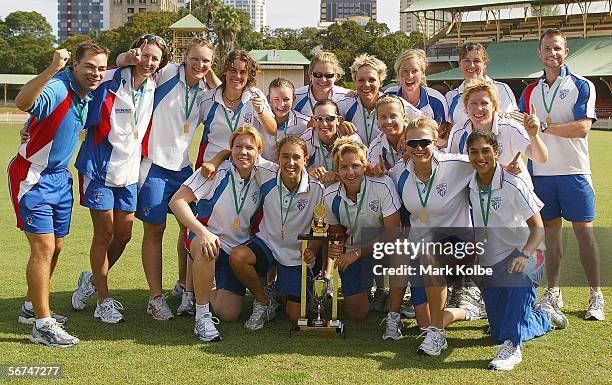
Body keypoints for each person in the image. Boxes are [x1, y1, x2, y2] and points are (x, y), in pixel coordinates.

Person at [9, 41, 109, 346]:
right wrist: (53, 67)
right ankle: (42, 324)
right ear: (75, 66)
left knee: (58, 246)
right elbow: (23, 102)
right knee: (43, 248)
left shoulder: (87, 94)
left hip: (59, 178)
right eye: (89, 66)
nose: (95, 73)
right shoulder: (58, 87)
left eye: (101, 68)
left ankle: (30, 307)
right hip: (33, 176)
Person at [71, 35, 166, 323]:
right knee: (105, 233)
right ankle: (103, 300)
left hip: (128, 173)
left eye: (155, 59)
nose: (148, 63)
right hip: (99, 169)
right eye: (144, 55)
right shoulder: (112, 77)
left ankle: (91, 280)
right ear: (135, 52)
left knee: (124, 234)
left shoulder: (154, 84)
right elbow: (116, 64)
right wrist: (127, 57)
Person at [466, 129, 568, 370]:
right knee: (499, 331)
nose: (480, 157)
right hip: (494, 260)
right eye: (474, 152)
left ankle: (513, 348)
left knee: (519, 279)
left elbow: (539, 228)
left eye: (486, 151)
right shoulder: (469, 183)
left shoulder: (514, 182)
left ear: (497, 152)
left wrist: (524, 255)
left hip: (528, 252)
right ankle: (543, 316)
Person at [132, 38, 221, 319]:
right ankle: (155, 298)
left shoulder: (206, 92)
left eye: (206, 61)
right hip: (153, 165)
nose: (199, 65)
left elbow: (223, 94)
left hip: (183, 168)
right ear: (184, 57)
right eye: (195, 59)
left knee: (190, 231)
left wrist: (209, 72)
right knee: (155, 231)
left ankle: (186, 287)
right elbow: (138, 68)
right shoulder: (168, 72)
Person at [519, 28, 603, 320]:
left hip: (574, 172)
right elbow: (522, 131)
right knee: (551, 238)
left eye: (557, 48)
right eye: (547, 48)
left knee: (585, 236)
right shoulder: (529, 91)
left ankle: (596, 295)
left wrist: (545, 127)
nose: (552, 53)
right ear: (539, 53)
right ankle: (553, 292)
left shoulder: (582, 85)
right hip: (541, 173)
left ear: (565, 52)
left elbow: (582, 128)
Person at [388, 116, 477, 354]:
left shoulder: (458, 165)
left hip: (458, 246)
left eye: (424, 142)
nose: (418, 148)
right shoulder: (399, 173)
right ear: (404, 145)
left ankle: (439, 336)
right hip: (422, 250)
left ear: (436, 141)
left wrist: (511, 167)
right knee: (424, 321)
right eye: (412, 143)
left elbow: (488, 164)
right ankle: (471, 310)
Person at [169, 126, 265, 342]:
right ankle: (202, 318)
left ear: (258, 151)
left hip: (234, 252)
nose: (243, 152)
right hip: (207, 240)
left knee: (229, 314)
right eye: (238, 146)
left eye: (250, 148)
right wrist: (202, 232)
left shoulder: (263, 174)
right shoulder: (215, 172)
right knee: (206, 246)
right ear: (230, 150)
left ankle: (201, 285)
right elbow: (177, 201)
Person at [229, 136, 324, 329]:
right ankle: (264, 302)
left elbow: (319, 228)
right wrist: (214, 161)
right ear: (277, 158)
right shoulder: (266, 172)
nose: (290, 163)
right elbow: (240, 152)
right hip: (268, 245)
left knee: (295, 316)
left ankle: (290, 291)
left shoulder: (317, 189)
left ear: (306, 159)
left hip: (296, 255)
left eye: (296, 157)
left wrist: (312, 250)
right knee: (238, 257)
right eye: (285, 157)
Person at [323, 138, 401, 324]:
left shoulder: (383, 185)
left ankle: (395, 308)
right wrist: (336, 246)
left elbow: (393, 232)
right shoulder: (329, 195)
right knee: (356, 315)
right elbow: (336, 233)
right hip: (354, 252)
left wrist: (357, 253)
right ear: (337, 169)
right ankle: (367, 288)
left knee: (401, 250)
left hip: (384, 248)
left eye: (355, 166)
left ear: (365, 165)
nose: (350, 172)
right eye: (343, 167)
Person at [447, 77, 548, 191]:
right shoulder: (458, 131)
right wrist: (500, 170)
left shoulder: (510, 127)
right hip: (480, 196)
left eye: (484, 103)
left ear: (494, 106)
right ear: (465, 108)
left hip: (515, 195)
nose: (479, 108)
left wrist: (534, 136)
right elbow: (452, 168)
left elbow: (541, 159)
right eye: (473, 103)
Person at [195, 49, 276, 168]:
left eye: (243, 72)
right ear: (225, 71)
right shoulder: (207, 99)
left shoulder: (255, 95)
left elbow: (272, 130)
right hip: (214, 167)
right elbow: (189, 127)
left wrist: (261, 111)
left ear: (249, 75)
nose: (237, 76)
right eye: (233, 70)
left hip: (246, 167)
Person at [337, 54, 419, 147]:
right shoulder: (345, 104)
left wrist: (407, 134)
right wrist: (339, 122)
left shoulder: (394, 103)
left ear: (381, 82)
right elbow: (322, 118)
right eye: (361, 80)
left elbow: (426, 121)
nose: (366, 84)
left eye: (372, 80)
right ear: (354, 81)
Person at [445, 42, 518, 128]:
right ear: (460, 64)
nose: (471, 65)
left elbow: (511, 119)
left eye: (477, 61)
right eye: (466, 60)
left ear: (484, 64)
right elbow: (449, 129)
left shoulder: (501, 89)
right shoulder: (450, 96)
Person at [384, 49, 450, 138]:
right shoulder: (389, 94)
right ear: (398, 72)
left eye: (414, 71)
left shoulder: (436, 100)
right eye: (405, 70)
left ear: (422, 73)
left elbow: (440, 135)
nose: (409, 75)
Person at [301, 99, 362, 185]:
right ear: (313, 121)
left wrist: (338, 176)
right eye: (319, 119)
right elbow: (294, 168)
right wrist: (309, 171)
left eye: (330, 118)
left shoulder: (352, 139)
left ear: (338, 120)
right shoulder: (305, 140)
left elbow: (362, 170)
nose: (324, 124)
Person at [261, 78, 309, 161]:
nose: (281, 104)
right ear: (268, 99)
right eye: (276, 99)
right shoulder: (258, 119)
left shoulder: (304, 124)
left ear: (293, 99)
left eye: (286, 99)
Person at [293, 51, 350, 117]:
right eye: (318, 74)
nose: (323, 80)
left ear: (336, 76)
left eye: (329, 75)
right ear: (310, 74)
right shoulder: (295, 97)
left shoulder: (347, 97)